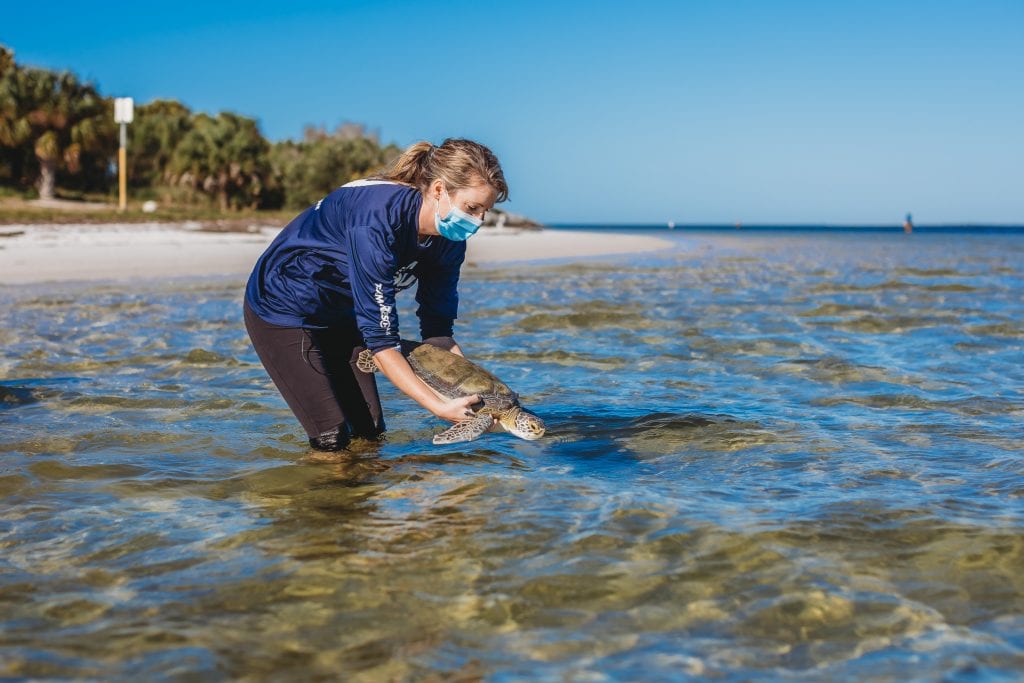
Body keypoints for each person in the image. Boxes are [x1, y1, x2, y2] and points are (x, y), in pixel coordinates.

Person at [244, 138, 508, 451]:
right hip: (285, 308)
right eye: (472, 208)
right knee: (332, 437)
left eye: (485, 212)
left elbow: (438, 335)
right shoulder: (377, 219)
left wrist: (475, 398)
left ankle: (366, 498)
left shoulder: (450, 241)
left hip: (345, 313)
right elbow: (383, 343)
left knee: (370, 435)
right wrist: (438, 407)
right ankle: (320, 498)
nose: (477, 222)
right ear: (439, 190)